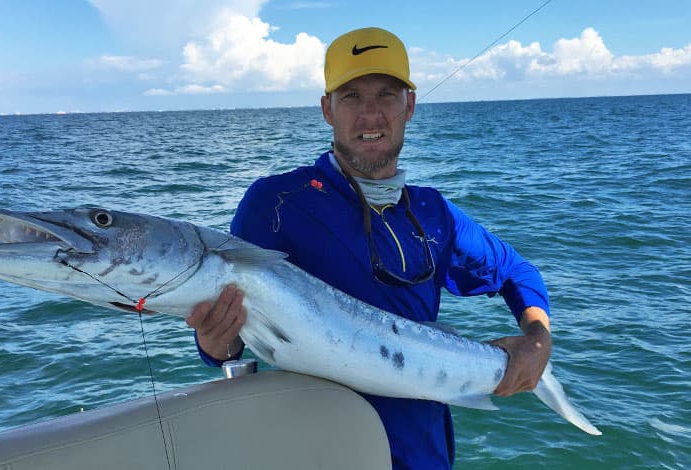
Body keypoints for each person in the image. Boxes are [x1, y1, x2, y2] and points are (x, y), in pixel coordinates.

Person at [186, 27, 552, 469]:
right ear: (327, 109)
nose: (371, 114)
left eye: (387, 94)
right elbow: (228, 345)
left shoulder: (434, 211)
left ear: (410, 105)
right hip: (318, 453)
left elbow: (517, 272)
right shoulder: (275, 203)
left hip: (424, 454)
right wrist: (215, 341)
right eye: (352, 96)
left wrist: (537, 339)